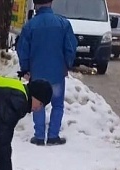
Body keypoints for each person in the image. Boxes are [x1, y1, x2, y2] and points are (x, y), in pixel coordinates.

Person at [16, 0, 77, 146]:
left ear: (35, 5)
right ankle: (53, 136)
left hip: (37, 73)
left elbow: (23, 50)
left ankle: (39, 136)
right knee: (57, 105)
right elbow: (71, 47)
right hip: (57, 72)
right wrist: (67, 64)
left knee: (38, 103)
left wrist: (25, 69)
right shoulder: (63, 24)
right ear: (51, 3)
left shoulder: (29, 26)